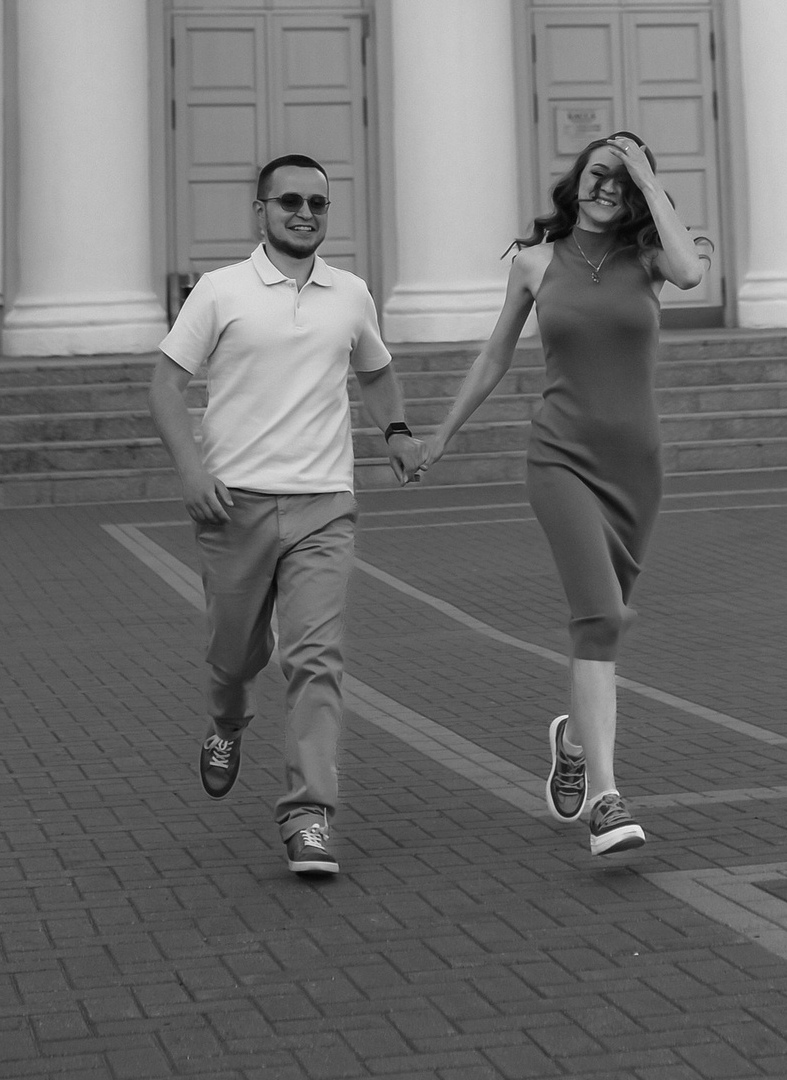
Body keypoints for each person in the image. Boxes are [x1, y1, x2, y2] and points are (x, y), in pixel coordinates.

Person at [417, 132, 704, 864]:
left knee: (601, 632)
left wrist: (647, 175)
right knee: (600, 616)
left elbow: (691, 272)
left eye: (624, 181)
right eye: (599, 174)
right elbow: (494, 355)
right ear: (576, 182)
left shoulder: (650, 259)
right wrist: (442, 435)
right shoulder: (536, 263)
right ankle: (606, 800)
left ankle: (573, 742)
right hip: (561, 460)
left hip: (637, 469)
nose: (610, 188)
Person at [149, 155, 422, 879]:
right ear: (261, 210)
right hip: (232, 506)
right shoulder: (220, 291)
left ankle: (309, 814)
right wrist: (191, 473)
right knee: (234, 657)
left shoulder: (351, 293)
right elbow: (166, 386)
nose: (305, 214)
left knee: (315, 658)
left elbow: (376, 370)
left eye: (317, 204)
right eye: (290, 201)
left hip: (324, 506)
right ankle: (226, 721)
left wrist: (395, 431)